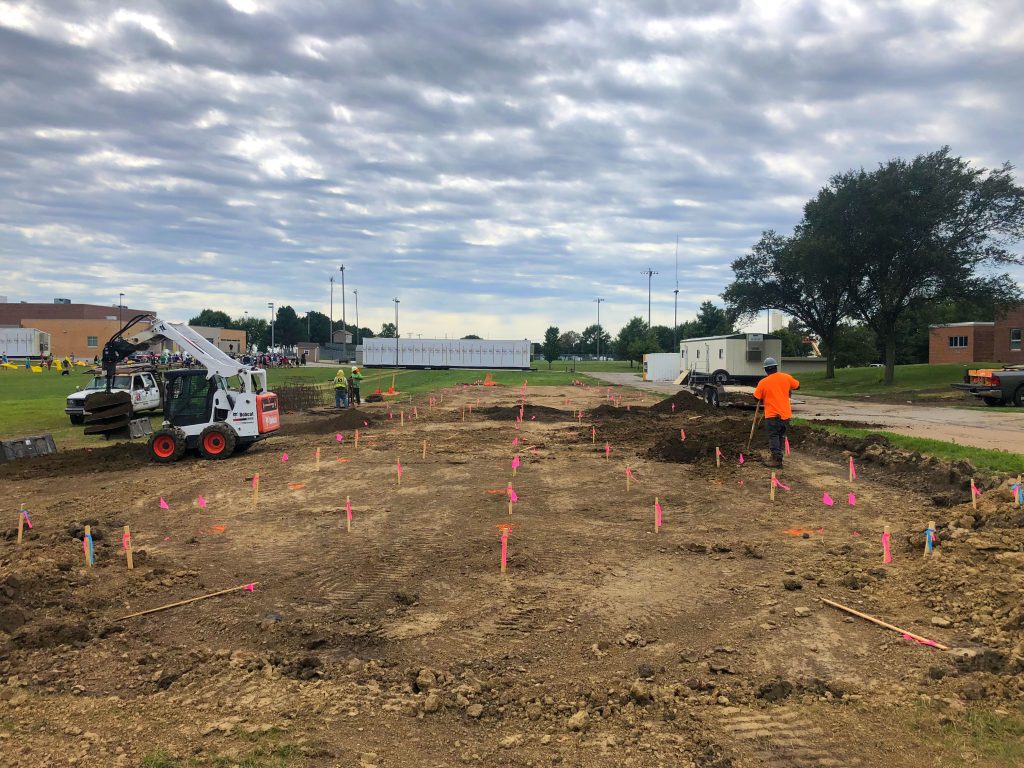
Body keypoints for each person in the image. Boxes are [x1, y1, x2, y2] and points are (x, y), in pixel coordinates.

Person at [752, 357, 799, 467]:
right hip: (785, 415)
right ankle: (777, 457)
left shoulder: (763, 382)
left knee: (773, 436)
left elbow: (756, 398)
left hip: (772, 415)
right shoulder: (786, 377)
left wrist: (765, 397)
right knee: (780, 436)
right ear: (776, 367)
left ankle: (776, 459)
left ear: (766, 369)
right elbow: (797, 386)